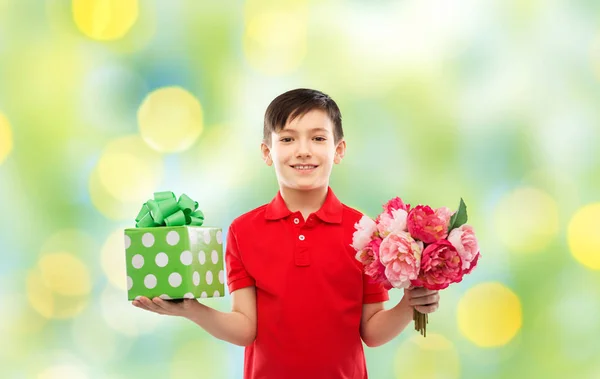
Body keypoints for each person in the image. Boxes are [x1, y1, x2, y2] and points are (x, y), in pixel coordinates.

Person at [133, 88, 441, 378]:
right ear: (267, 152)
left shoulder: (364, 230)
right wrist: (192, 309)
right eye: (288, 139)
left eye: (318, 138)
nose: (303, 151)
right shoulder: (243, 231)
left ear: (339, 149)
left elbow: (372, 332)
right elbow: (245, 329)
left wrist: (409, 304)